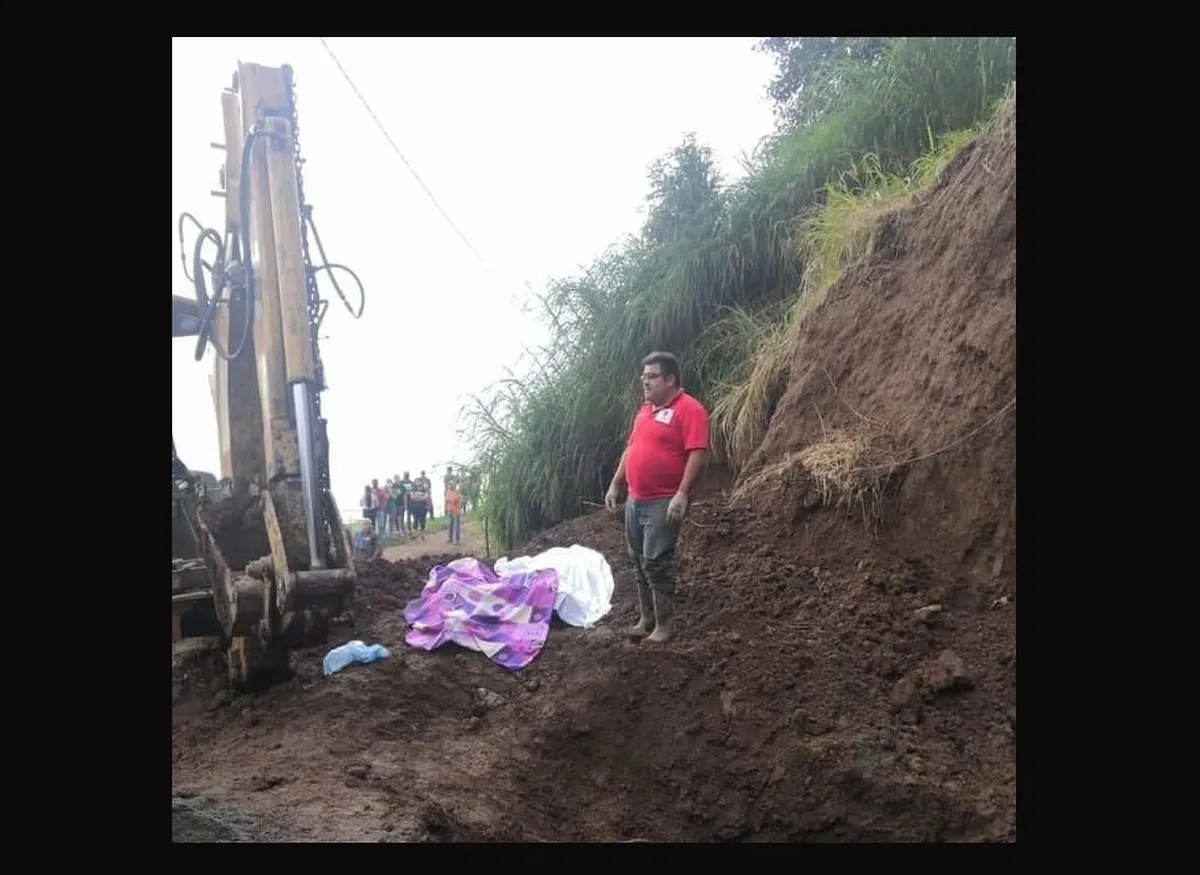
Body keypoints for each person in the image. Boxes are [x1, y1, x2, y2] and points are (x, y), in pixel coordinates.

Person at [605, 351, 709, 644]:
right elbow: (630, 449)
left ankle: (664, 624)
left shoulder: (689, 409)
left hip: (663, 500)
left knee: (656, 560)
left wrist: (682, 494)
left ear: (670, 379)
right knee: (638, 560)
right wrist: (616, 484)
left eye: (652, 376)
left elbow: (697, 452)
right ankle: (646, 618)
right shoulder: (645, 411)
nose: (645, 382)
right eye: (644, 377)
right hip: (635, 500)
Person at [409, 470, 432, 539]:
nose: (418, 482)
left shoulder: (424, 489)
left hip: (422, 507)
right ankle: (414, 535)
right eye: (416, 481)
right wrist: (420, 496)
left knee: (422, 520)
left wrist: (418, 497)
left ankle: (422, 535)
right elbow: (412, 497)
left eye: (419, 481)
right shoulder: (412, 488)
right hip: (414, 507)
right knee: (415, 520)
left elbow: (426, 496)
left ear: (421, 482)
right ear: (415, 482)